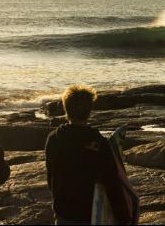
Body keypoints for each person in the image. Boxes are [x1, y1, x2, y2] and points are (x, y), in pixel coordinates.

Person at [45, 85, 132, 225]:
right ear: (90, 111)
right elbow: (112, 183)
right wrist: (124, 218)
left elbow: (51, 178)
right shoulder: (99, 143)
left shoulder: (54, 139)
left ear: (66, 108)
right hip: (91, 214)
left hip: (64, 213)